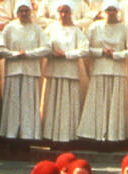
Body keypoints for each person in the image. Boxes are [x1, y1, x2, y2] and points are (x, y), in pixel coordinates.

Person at [77, 1, 128, 142]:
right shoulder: (95, 27)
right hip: (99, 70)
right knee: (99, 103)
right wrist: (101, 51)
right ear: (103, 11)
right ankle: (97, 135)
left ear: (118, 11)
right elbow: (85, 49)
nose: (111, 12)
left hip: (118, 70)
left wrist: (116, 54)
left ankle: (114, 136)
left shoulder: (124, 28)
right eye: (108, 9)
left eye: (114, 9)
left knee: (115, 104)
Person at [0, 1, 50, 151]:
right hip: (13, 71)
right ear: (16, 12)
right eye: (21, 11)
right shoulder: (10, 28)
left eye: (26, 11)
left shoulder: (37, 29)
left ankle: (27, 137)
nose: (24, 14)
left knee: (28, 106)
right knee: (13, 105)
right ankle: (12, 137)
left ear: (30, 12)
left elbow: (46, 48)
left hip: (30, 71)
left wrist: (28, 54)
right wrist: (14, 55)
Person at [43, 2, 87, 145]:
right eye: (61, 11)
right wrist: (51, 52)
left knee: (67, 104)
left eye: (66, 11)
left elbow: (84, 49)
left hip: (69, 71)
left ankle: (67, 137)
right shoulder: (51, 28)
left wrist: (67, 54)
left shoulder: (76, 31)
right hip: (54, 69)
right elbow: (43, 44)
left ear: (71, 13)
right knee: (53, 103)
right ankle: (50, 135)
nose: (63, 14)